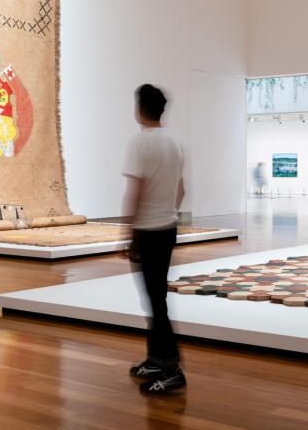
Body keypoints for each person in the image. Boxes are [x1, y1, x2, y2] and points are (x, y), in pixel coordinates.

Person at [123, 84, 187, 393]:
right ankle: (155, 359)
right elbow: (182, 190)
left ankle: (172, 368)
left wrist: (129, 233)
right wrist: (168, 213)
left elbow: (133, 194)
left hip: (148, 232)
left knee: (155, 300)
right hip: (167, 228)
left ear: (139, 109)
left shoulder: (139, 143)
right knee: (155, 296)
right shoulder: (175, 143)